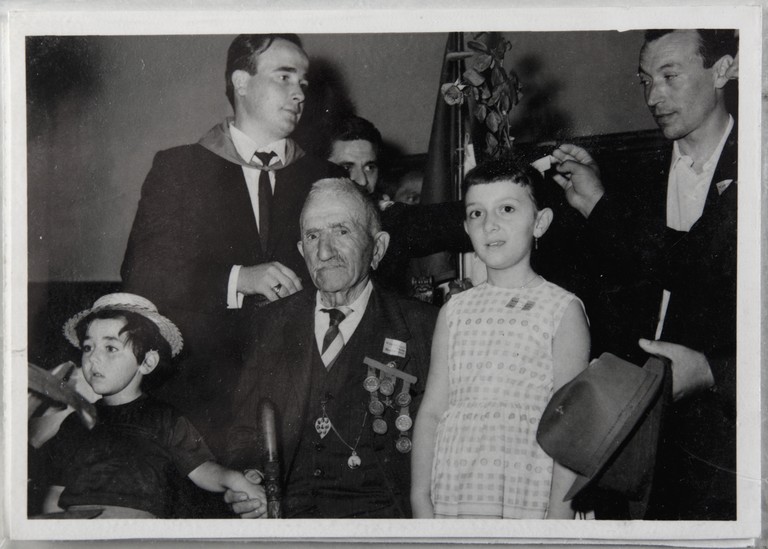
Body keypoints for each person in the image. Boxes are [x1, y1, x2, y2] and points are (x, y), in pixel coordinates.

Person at [120, 34, 343, 453]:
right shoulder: (180, 168)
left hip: (301, 395)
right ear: (242, 82)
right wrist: (238, 279)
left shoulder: (324, 177)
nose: (299, 93)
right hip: (199, 404)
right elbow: (142, 271)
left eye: (305, 82)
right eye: (284, 76)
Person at [550, 29, 738, 520]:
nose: (653, 97)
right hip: (625, 440)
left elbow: (693, 262)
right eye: (645, 80)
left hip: (725, 445)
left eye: (670, 76)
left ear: (723, 70)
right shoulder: (631, 180)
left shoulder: (756, 170)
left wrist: (716, 372)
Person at [224, 178, 438, 518]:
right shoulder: (272, 324)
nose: (324, 252)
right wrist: (251, 477)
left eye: (342, 231)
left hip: (384, 525)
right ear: (301, 251)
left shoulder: (424, 327)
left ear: (378, 247)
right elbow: (245, 430)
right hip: (290, 521)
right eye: (313, 236)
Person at [410, 156, 590, 519]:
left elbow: (570, 423)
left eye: (507, 208)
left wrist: (560, 516)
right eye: (477, 213)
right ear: (466, 226)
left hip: (529, 492)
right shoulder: (454, 311)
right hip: (457, 490)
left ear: (539, 223)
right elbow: (431, 412)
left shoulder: (561, 309)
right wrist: (419, 498)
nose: (490, 224)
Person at [40, 293, 267, 519]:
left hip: (140, 529)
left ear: (147, 362)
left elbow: (202, 469)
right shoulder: (76, 422)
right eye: (88, 347)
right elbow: (55, 493)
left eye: (110, 348)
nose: (93, 358)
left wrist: (233, 479)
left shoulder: (165, 418)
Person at [324, 115, 471, 295]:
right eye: (347, 167)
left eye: (370, 167)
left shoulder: (387, 219)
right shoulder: (291, 217)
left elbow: (445, 221)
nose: (362, 180)